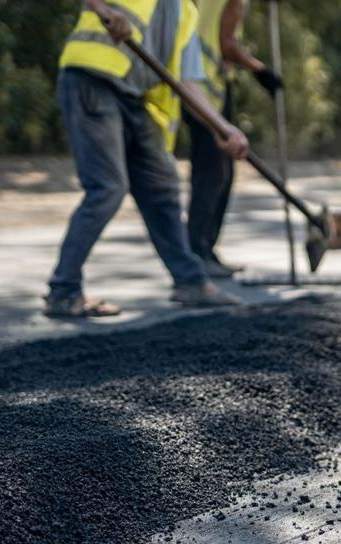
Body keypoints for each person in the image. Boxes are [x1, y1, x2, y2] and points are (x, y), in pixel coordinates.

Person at [45, 0, 249, 317]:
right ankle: (63, 291)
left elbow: (188, 84)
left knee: (162, 187)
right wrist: (104, 11)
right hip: (92, 80)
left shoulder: (186, 14)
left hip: (133, 97)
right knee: (108, 187)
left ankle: (191, 282)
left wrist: (222, 129)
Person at [186, 0, 283, 278]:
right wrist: (259, 70)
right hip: (204, 91)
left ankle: (205, 249)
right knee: (213, 173)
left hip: (198, 85)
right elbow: (226, 43)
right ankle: (198, 252)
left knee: (217, 172)